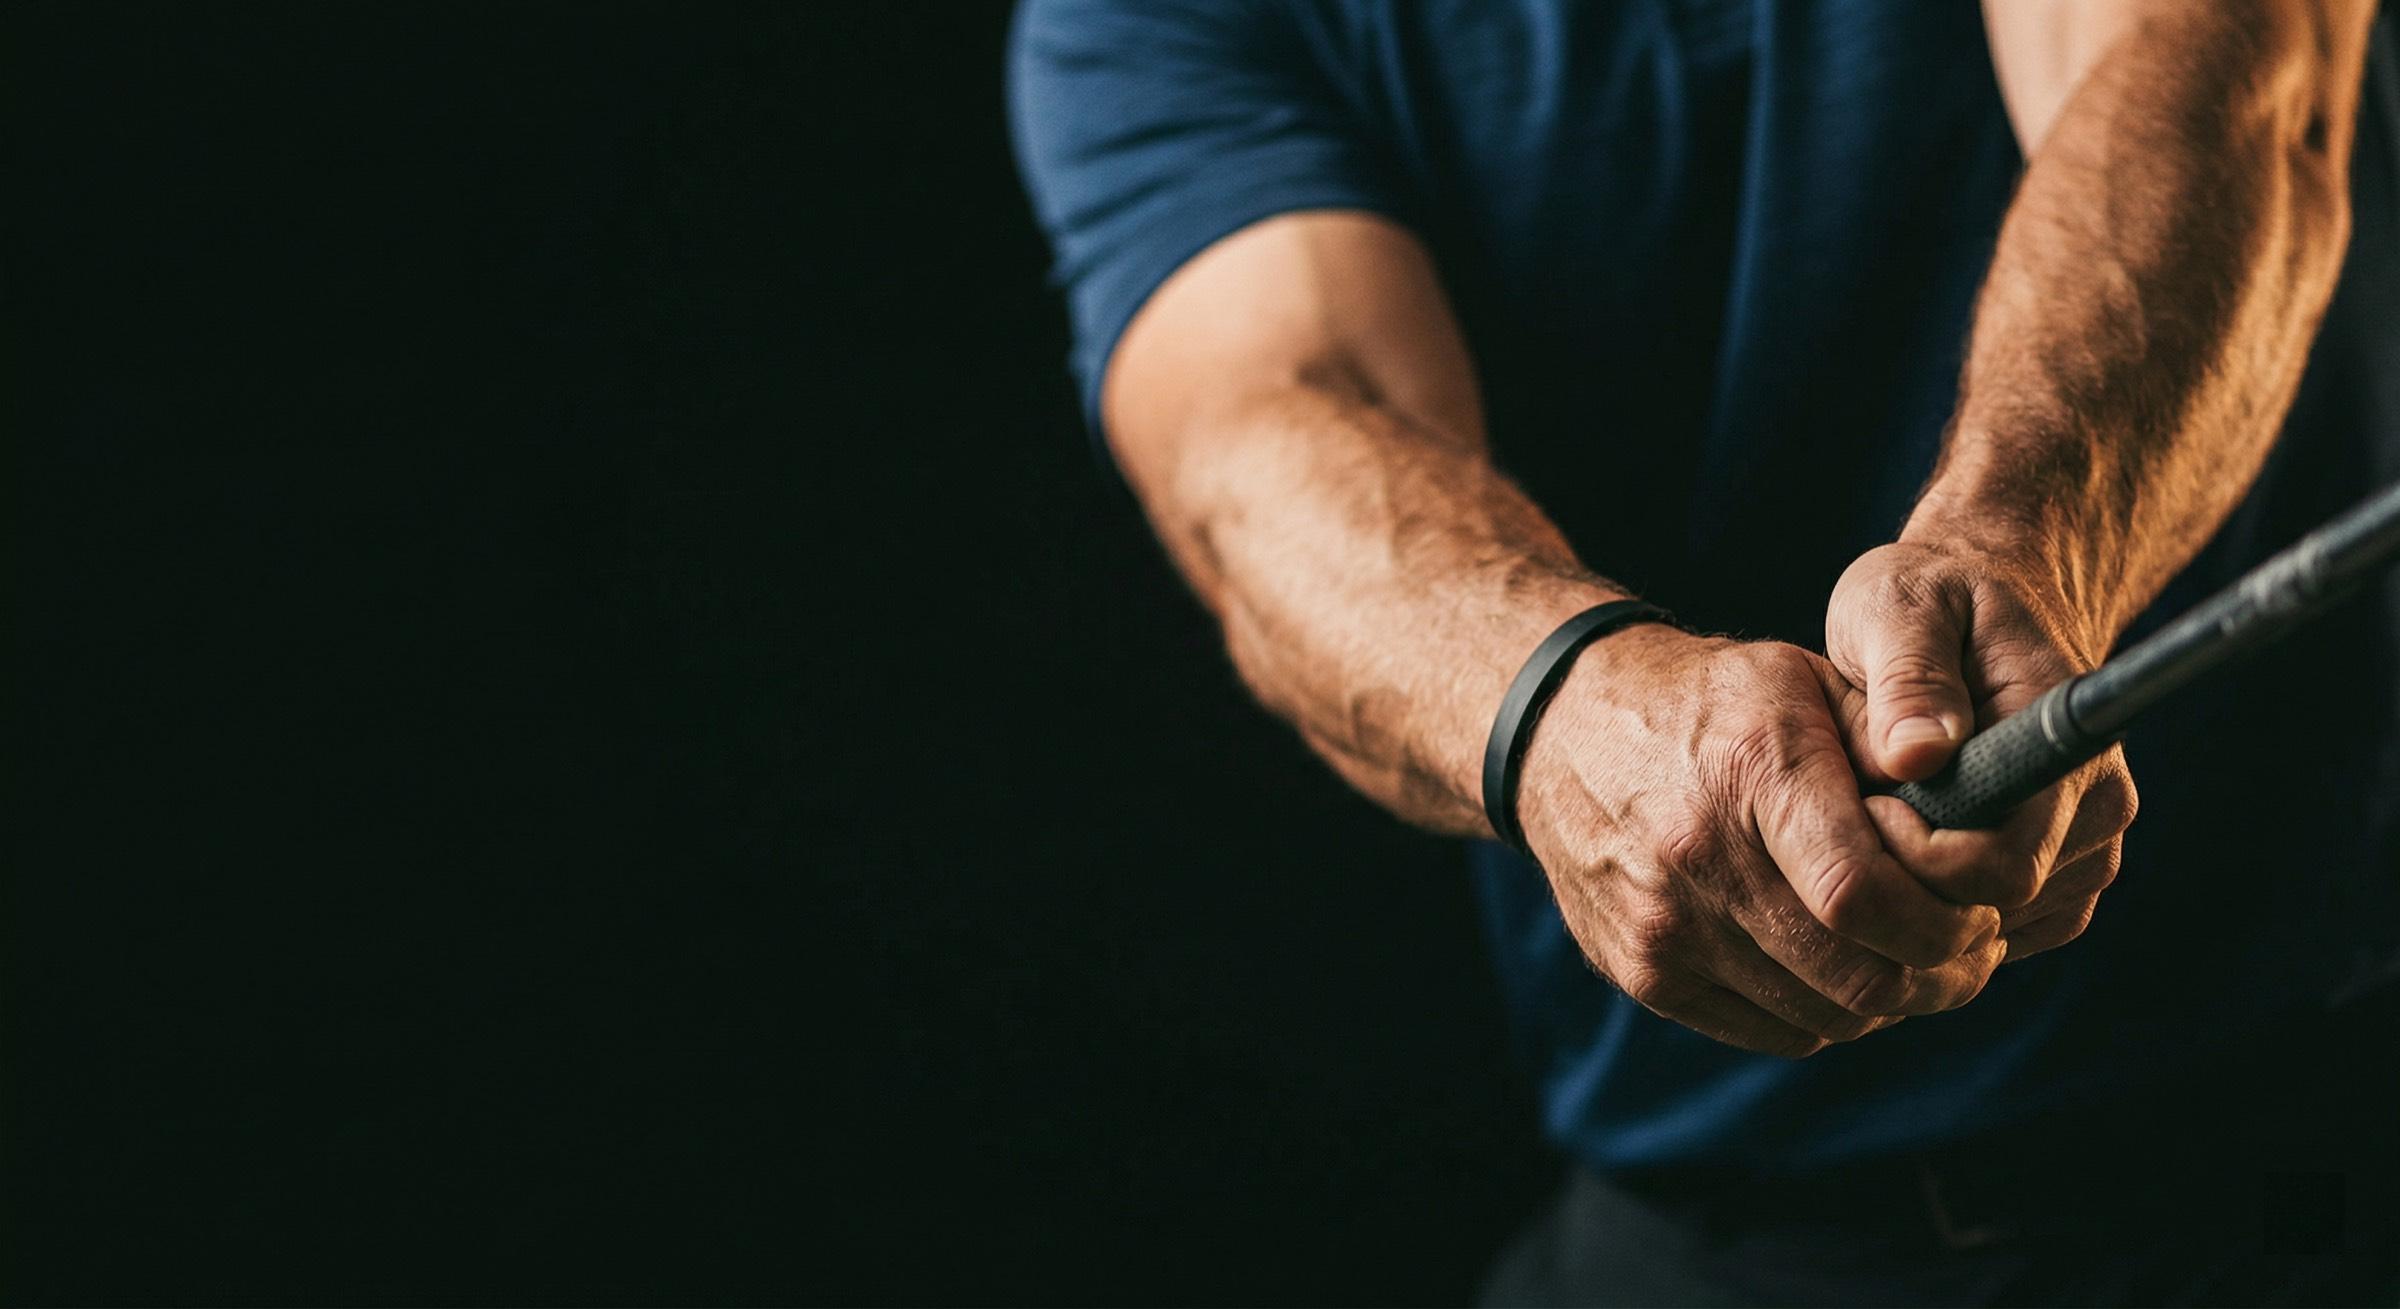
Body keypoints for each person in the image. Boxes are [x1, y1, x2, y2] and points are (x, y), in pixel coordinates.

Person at [1008, 1, 2400, 1302]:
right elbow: (1270, 437)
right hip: (1744, 1210)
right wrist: (1565, 707)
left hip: (2335, 1080)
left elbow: (2228, 78)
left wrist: (2023, 542)